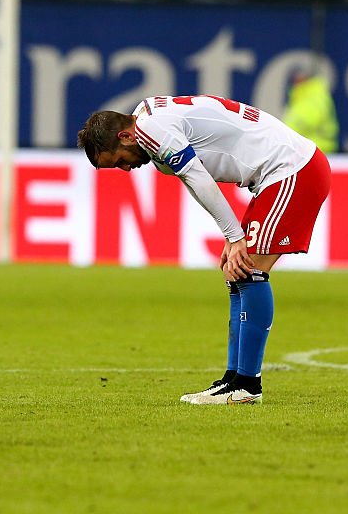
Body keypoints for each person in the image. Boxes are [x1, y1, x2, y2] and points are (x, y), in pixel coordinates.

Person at [78, 95, 331, 405]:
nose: (126, 169)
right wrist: (231, 237)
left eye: (119, 161)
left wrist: (234, 235)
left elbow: (199, 179)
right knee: (237, 272)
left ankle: (248, 386)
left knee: (249, 270)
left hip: (292, 169)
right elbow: (194, 177)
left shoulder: (149, 129)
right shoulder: (147, 119)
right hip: (278, 174)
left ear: (125, 136)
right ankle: (234, 379)